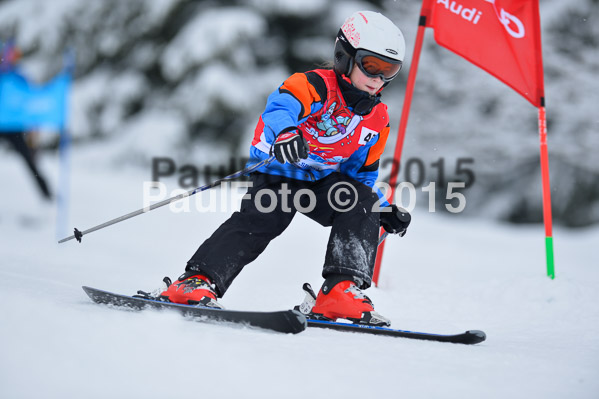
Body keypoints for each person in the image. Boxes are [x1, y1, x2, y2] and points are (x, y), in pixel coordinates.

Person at [158, 11, 411, 326]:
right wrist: (287, 133)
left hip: (320, 183)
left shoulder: (377, 119)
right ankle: (195, 282)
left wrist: (381, 209)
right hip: (280, 170)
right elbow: (281, 106)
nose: (378, 78)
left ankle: (338, 293)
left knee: (363, 200)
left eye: (389, 70)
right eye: (371, 65)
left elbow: (361, 175)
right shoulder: (314, 84)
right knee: (266, 218)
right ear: (344, 56)